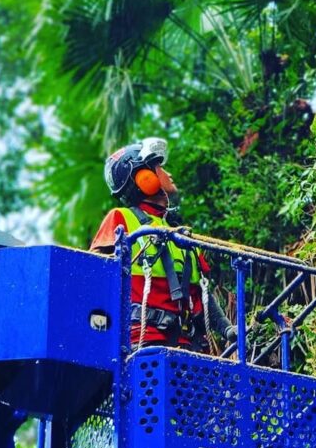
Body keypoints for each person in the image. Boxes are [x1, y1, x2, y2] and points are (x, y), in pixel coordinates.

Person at [89, 137, 234, 352]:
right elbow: (92, 275)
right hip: (143, 342)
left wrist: (228, 329)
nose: (168, 174)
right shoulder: (121, 218)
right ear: (143, 178)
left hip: (187, 345)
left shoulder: (182, 237)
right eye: (159, 167)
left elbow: (201, 296)